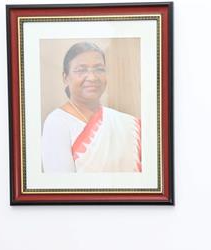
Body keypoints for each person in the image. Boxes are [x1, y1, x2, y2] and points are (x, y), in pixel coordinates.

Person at [41, 41, 141, 173]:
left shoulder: (126, 124)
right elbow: (62, 187)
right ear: (65, 78)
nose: (92, 77)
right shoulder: (57, 122)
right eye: (81, 70)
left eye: (99, 69)